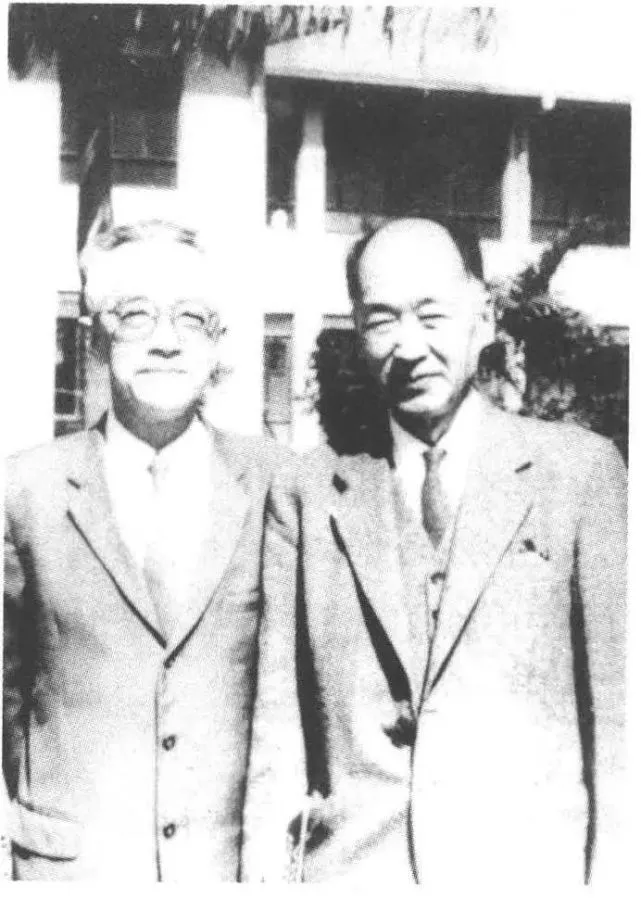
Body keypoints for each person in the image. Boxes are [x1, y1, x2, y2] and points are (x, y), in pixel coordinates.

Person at [241, 218, 627, 888]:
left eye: (432, 315)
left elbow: (624, 728)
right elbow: (277, 737)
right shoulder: (307, 492)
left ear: (482, 316)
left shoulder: (579, 474)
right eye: (382, 320)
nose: (410, 346)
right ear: (357, 332)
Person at [3, 220, 284, 881]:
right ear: (94, 337)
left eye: (191, 318)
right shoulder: (24, 489)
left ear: (216, 341)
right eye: (135, 315)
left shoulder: (278, 483)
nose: (165, 340)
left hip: (226, 876)